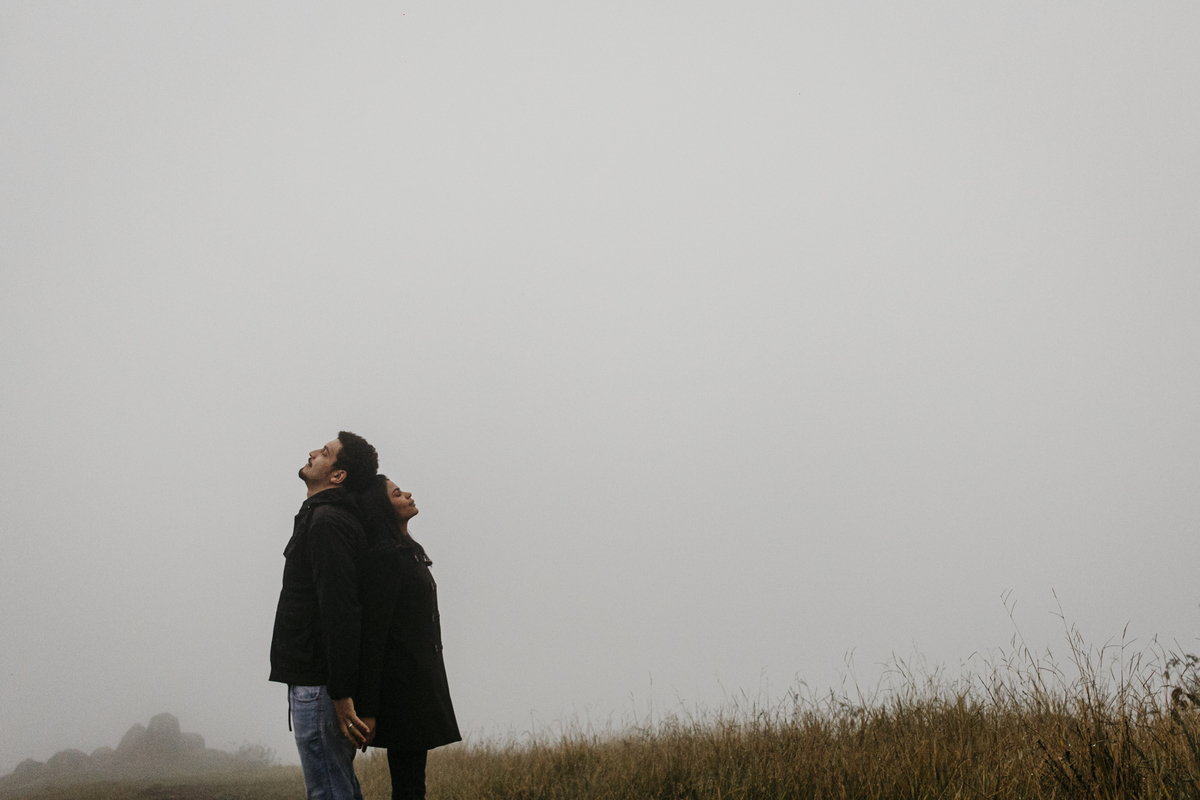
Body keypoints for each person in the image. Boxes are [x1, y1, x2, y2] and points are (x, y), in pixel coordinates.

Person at [269, 431, 379, 800]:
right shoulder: (326, 517)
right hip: (320, 682)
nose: (313, 452)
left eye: (325, 452)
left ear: (337, 475)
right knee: (337, 786)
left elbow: (340, 609)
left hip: (319, 686)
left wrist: (341, 692)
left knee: (328, 791)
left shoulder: (328, 521)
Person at [354, 474, 462, 800]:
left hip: (418, 685)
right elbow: (374, 635)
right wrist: (368, 708)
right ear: (383, 508)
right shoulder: (385, 557)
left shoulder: (407, 551)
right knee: (409, 786)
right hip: (400, 689)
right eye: (397, 493)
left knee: (413, 783)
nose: (408, 495)